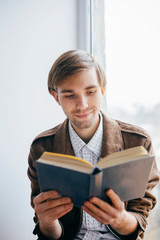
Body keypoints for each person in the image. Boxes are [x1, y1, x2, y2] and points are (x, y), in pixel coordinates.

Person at [28, 49, 159, 240]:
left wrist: (120, 219)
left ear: (103, 90)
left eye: (90, 92)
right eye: (69, 95)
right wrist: (47, 222)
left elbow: (140, 218)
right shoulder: (41, 148)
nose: (82, 105)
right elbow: (49, 234)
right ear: (56, 97)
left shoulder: (138, 143)